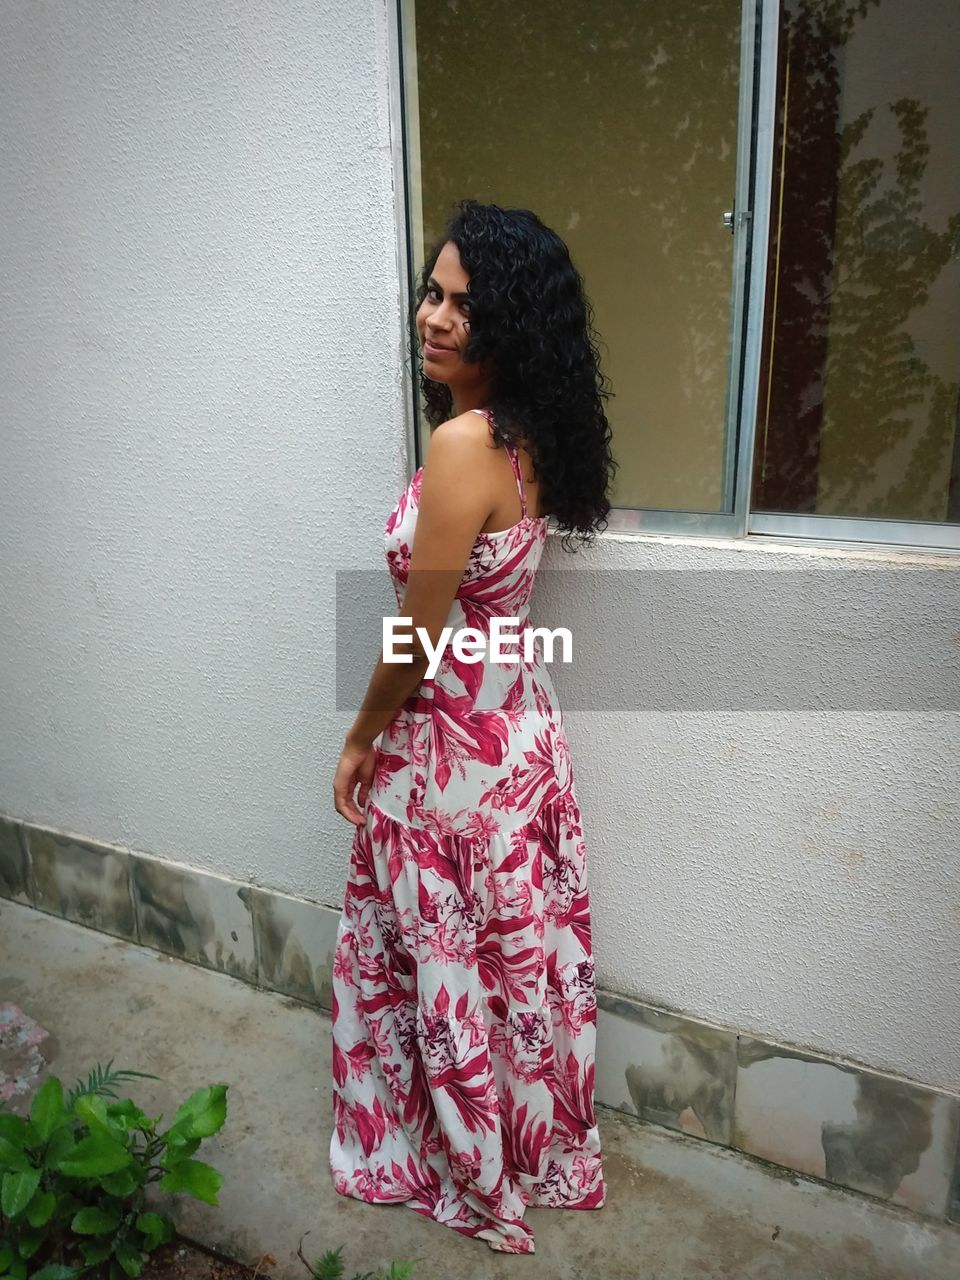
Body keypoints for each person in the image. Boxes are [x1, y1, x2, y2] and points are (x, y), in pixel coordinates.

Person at [329, 199, 616, 1255]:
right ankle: (518, 1140)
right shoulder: (526, 436)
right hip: (517, 735)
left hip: (450, 748)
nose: (437, 317)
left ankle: (458, 1153)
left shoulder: (462, 444)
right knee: (506, 960)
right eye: (432, 293)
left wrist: (360, 738)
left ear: (514, 325)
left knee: (444, 957)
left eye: (465, 304)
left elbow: (416, 639)